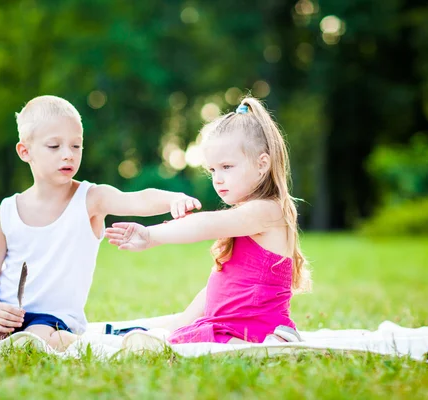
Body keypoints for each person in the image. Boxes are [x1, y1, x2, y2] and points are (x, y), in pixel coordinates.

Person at [0, 95, 202, 351]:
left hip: (54, 321)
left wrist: (174, 199)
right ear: (25, 151)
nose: (68, 155)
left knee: (37, 343)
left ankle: (84, 343)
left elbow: (137, 200)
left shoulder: (90, 199)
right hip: (3, 314)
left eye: (76, 146)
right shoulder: (6, 212)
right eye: (54, 146)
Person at [106, 97, 311, 345]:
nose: (218, 179)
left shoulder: (267, 211)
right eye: (213, 170)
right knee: (172, 332)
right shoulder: (247, 218)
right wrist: (172, 331)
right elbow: (215, 293)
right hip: (231, 324)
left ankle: (273, 342)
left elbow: (207, 225)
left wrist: (152, 235)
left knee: (194, 340)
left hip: (253, 327)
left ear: (262, 165)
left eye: (227, 166)